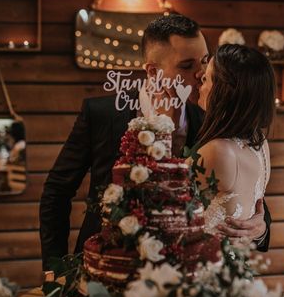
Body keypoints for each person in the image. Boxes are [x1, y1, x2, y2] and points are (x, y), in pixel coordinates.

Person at [39, 14, 271, 271]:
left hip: (187, 275)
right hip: (110, 266)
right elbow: (57, 191)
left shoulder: (215, 119)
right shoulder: (102, 113)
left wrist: (260, 228)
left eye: (204, 63)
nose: (199, 74)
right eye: (186, 66)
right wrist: (54, 269)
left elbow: (243, 195)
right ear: (153, 71)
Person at [196, 44, 274, 235]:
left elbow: (165, 191)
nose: (199, 81)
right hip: (237, 257)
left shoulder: (218, 151)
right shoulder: (260, 142)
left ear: (223, 93)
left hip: (208, 261)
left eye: (206, 78)